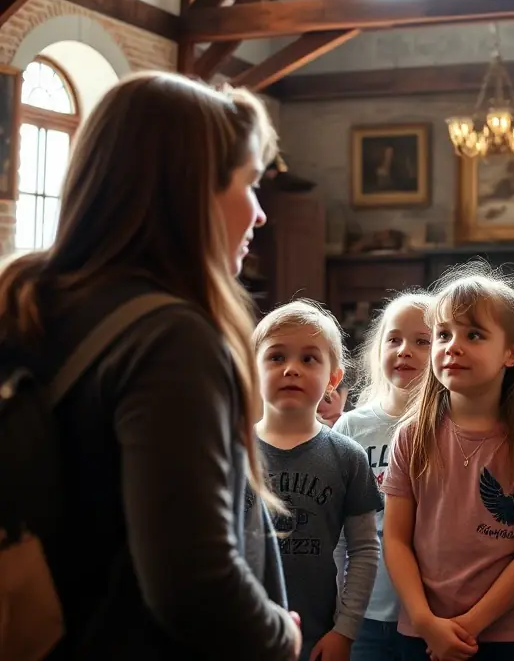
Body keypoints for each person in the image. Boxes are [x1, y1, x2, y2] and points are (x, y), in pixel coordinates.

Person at [0, 72, 301, 659]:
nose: (260, 214)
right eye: (250, 185)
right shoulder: (170, 339)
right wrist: (280, 637)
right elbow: (194, 581)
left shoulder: (25, 300)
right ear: (190, 195)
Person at [381, 266, 514, 661]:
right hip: (422, 632)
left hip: (511, 636)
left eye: (474, 335)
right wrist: (426, 621)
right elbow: (395, 539)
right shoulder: (412, 436)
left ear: (512, 352)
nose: (453, 346)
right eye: (443, 335)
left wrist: (470, 626)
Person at [251, 299, 383, 661]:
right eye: (276, 357)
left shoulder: (347, 457)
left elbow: (364, 551)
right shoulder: (231, 453)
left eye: (309, 359)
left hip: (318, 639)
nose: (291, 369)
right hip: (237, 633)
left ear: (333, 378)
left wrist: (345, 629)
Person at [335, 291, 434, 661]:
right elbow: (338, 531)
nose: (404, 350)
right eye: (394, 339)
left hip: (431, 609)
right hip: (364, 610)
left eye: (421, 341)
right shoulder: (351, 427)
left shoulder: (451, 428)